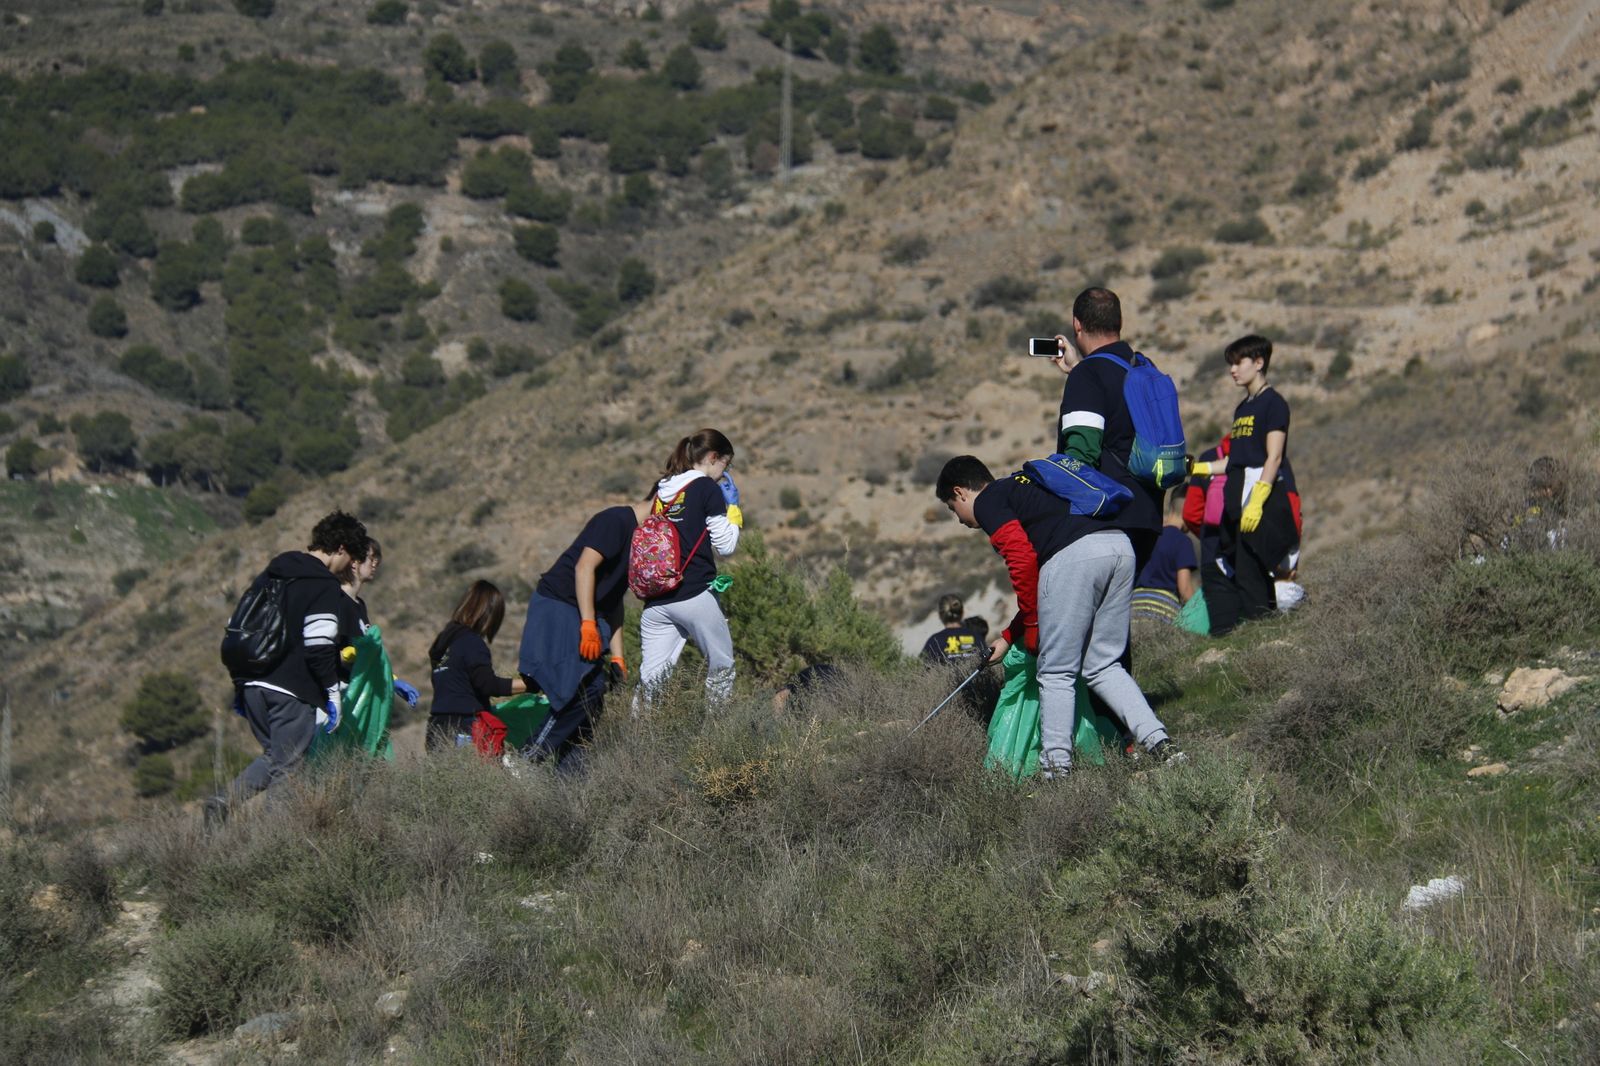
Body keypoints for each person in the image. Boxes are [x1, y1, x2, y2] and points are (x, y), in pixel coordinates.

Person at [936, 455, 1180, 777]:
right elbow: (1042, 588)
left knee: (1055, 672)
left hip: (1075, 557)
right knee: (1103, 666)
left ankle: (1056, 771)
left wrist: (1033, 625)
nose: (959, 519)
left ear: (960, 492)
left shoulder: (988, 500)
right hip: (1118, 548)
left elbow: (1022, 559)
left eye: (953, 508)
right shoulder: (1024, 488)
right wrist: (1009, 637)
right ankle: (1161, 744)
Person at [207, 510, 369, 821]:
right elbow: (318, 645)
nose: (348, 568)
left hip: (251, 683)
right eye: (350, 559)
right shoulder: (322, 584)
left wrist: (242, 684)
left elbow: (237, 624)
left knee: (276, 757)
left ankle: (224, 801)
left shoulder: (273, 572)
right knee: (289, 770)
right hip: (291, 690)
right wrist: (332, 692)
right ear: (341, 549)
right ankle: (274, 843)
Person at [516, 498, 652, 769]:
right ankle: (526, 758)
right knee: (584, 687)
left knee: (593, 701)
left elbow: (613, 602)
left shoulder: (639, 541)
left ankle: (570, 783)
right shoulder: (616, 521)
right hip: (560, 604)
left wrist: (618, 658)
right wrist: (588, 625)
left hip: (586, 613)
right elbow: (584, 567)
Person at [1190, 335, 1299, 634]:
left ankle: (1266, 637)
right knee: (1243, 575)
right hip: (1237, 503)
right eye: (1231, 363)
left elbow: (1274, 456)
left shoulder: (1274, 404)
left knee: (1258, 574)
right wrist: (1198, 468)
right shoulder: (1241, 410)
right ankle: (1258, 636)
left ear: (1259, 362)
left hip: (1260, 501)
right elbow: (1234, 461)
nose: (1232, 369)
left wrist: (1258, 500)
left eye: (1239, 362)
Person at [636, 429, 743, 710]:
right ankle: (717, 730)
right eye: (726, 464)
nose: (725, 473)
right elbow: (726, 546)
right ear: (713, 457)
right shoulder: (706, 488)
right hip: (694, 593)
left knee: (651, 680)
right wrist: (733, 507)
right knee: (721, 667)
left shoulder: (663, 489)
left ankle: (638, 733)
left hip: (657, 600)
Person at [426, 580, 528, 755]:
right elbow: (488, 685)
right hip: (463, 726)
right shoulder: (472, 643)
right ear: (489, 614)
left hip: (436, 728)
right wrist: (531, 685)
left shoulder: (444, 644)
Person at [339, 538, 420, 710]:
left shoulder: (359, 605)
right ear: (353, 562)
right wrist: (347, 655)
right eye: (371, 558)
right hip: (335, 691)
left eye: (377, 559)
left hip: (355, 691)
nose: (375, 564)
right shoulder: (337, 601)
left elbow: (370, 654)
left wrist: (392, 679)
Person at [1131, 490, 1199, 624]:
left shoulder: (1148, 535)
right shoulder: (1182, 541)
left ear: (1171, 506)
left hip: (1134, 605)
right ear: (1189, 510)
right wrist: (1198, 614)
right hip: (1164, 611)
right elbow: (1184, 589)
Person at [919, 593, 985, 665]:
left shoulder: (934, 641)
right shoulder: (977, 637)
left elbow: (920, 666)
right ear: (962, 612)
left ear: (940, 615)